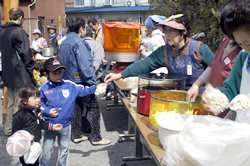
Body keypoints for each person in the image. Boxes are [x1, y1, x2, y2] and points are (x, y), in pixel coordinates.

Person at [105, 14, 215, 93]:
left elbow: (218, 70)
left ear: (184, 31)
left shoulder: (199, 49)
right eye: (165, 31)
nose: (167, 34)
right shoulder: (165, 51)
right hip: (177, 99)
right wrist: (120, 75)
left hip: (200, 100)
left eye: (171, 30)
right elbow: (145, 63)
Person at [40, 57, 105, 165]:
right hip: (49, 125)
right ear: (47, 74)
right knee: (47, 150)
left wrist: (97, 87)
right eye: (55, 73)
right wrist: (47, 111)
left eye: (60, 72)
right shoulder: (43, 89)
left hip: (65, 125)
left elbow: (84, 90)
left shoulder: (70, 86)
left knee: (64, 150)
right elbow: (39, 104)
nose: (58, 75)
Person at [59, 17, 111, 145]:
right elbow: (86, 66)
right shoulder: (80, 43)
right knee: (94, 108)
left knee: (76, 107)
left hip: (68, 81)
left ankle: (76, 135)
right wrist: (93, 83)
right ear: (81, 28)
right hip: (82, 81)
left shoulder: (63, 43)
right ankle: (96, 138)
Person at [186, 0, 242, 110]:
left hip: (229, 112)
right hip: (212, 108)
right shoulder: (225, 41)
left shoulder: (243, 54)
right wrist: (196, 85)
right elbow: (213, 65)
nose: (220, 28)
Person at [201, 0, 250, 116]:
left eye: (248, 44)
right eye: (240, 44)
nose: (246, 49)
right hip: (242, 130)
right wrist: (216, 96)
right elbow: (231, 90)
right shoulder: (243, 58)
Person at [0, 8, 35, 136]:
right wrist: (32, 70)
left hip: (7, 73)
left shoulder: (3, 32)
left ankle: (8, 129)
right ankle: (16, 130)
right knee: (19, 103)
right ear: (20, 17)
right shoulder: (19, 31)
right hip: (19, 73)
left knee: (11, 102)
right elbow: (26, 53)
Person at [12, 84, 63, 166]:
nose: (38, 100)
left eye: (38, 97)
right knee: (27, 163)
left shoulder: (36, 111)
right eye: (34, 98)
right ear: (24, 101)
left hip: (36, 145)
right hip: (25, 148)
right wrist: (26, 137)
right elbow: (15, 133)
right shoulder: (19, 115)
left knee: (35, 163)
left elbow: (40, 123)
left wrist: (52, 126)